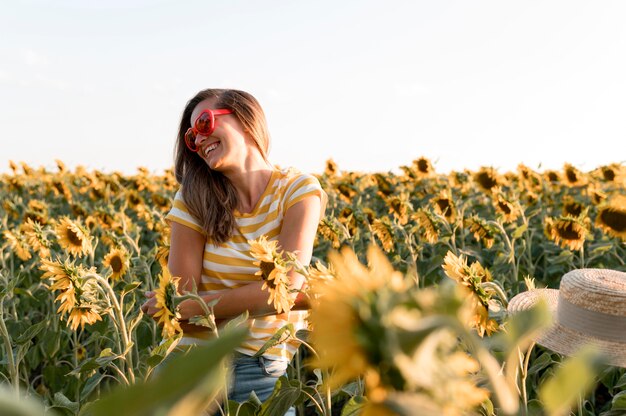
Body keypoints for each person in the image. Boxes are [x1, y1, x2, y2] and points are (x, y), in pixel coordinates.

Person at [141, 88, 327, 411]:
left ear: (245, 117)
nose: (197, 141)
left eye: (203, 123)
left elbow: (285, 287)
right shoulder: (192, 199)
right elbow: (182, 305)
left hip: (261, 367)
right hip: (191, 365)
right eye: (190, 137)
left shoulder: (298, 191)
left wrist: (200, 305)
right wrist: (279, 298)